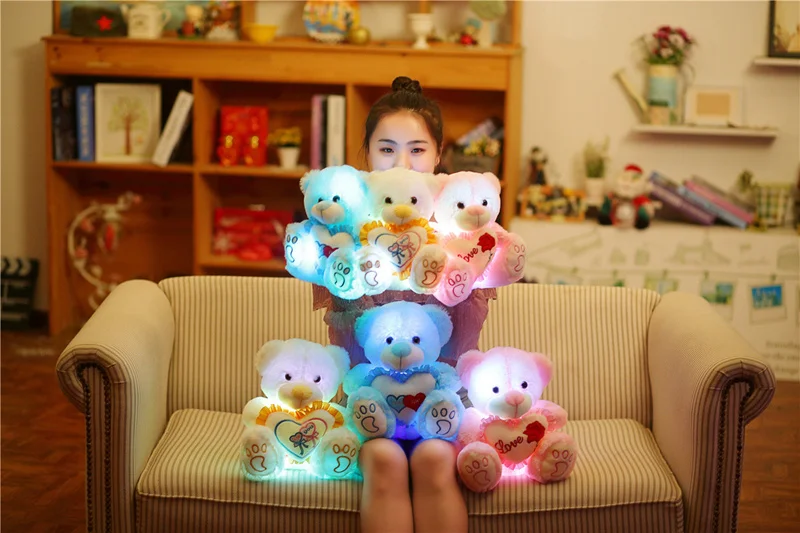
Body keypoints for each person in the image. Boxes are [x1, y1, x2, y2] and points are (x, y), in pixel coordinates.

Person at [313, 76, 486, 533]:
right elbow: (345, 344)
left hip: (441, 397)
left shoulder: (460, 232)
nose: (402, 162)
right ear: (367, 155)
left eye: (417, 149)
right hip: (369, 398)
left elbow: (463, 345)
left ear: (438, 154)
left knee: (434, 460)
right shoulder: (348, 237)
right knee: (385, 460)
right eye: (387, 149)